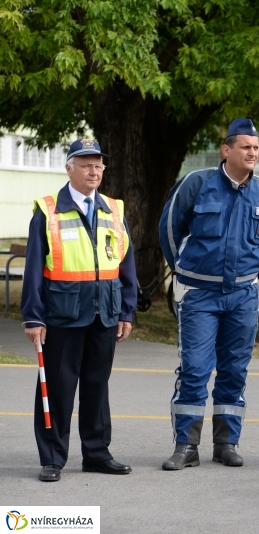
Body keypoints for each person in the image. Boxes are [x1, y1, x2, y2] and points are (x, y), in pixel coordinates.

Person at [158, 118, 259, 470]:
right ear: (226, 150)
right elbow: (169, 228)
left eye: (256, 148)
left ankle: (226, 443)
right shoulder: (197, 184)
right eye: (246, 147)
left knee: (234, 371)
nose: (252, 153)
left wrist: (249, 271)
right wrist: (183, 270)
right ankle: (186, 446)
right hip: (200, 295)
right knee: (195, 369)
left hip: (243, 296)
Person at [21, 138, 137, 482]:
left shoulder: (114, 210)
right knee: (56, 387)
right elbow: (32, 269)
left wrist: (127, 311)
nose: (94, 171)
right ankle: (53, 458)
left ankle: (97, 454)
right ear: (69, 167)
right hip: (62, 315)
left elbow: (125, 263)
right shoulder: (48, 211)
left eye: (98, 164)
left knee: (96, 387)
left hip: (105, 314)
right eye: (86, 164)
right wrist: (33, 315)